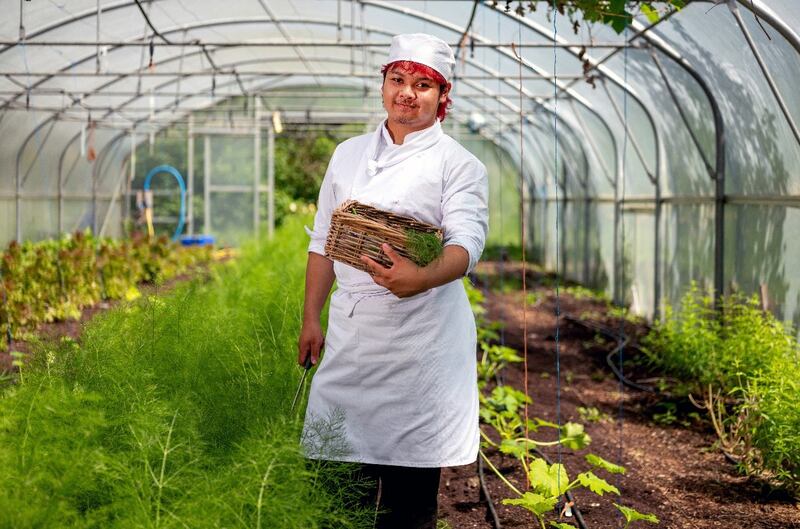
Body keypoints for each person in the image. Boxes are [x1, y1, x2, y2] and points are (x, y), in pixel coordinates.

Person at [298, 33, 489, 529]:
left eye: (422, 85)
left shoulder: (458, 165)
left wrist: (420, 278)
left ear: (441, 96)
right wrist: (311, 319)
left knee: (409, 506)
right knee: (338, 496)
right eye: (397, 79)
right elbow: (322, 240)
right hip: (351, 339)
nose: (407, 93)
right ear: (383, 85)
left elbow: (467, 245)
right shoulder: (347, 154)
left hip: (420, 345)